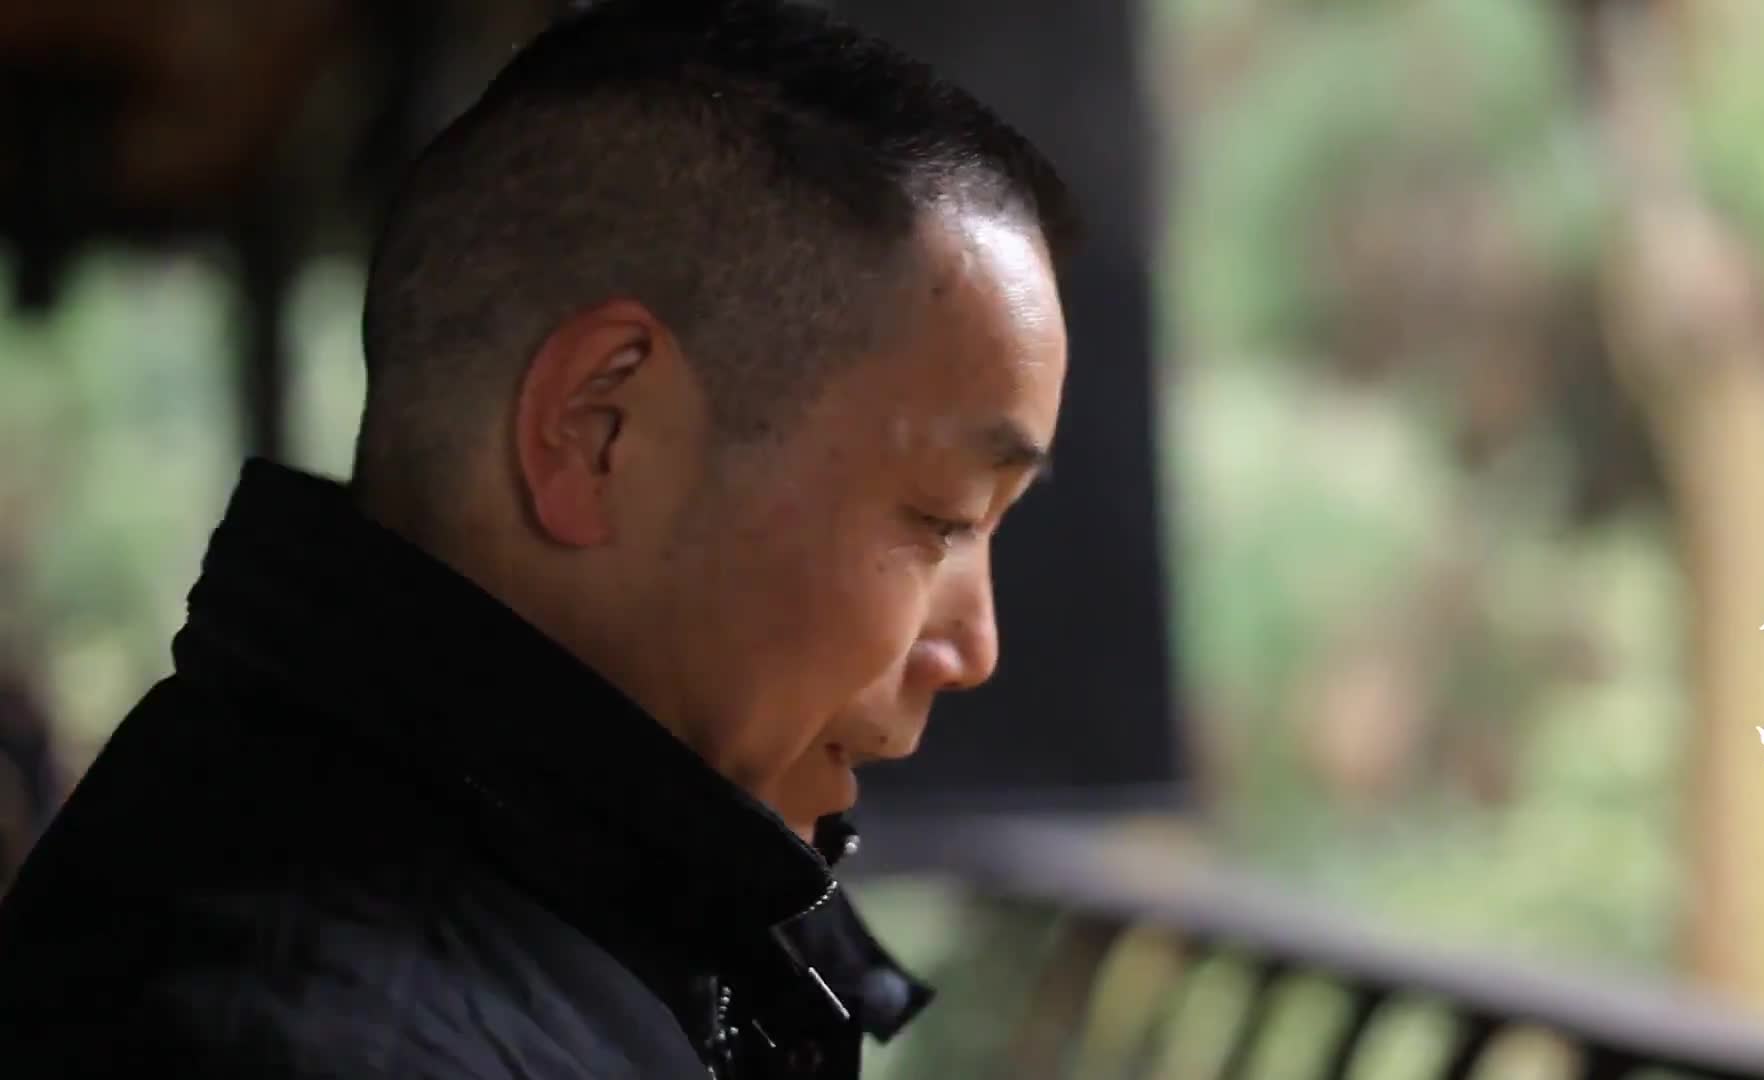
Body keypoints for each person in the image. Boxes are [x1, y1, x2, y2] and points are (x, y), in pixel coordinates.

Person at [0, 0, 1073, 1075]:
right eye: (942, 518)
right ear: (600, 432)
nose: (974, 648)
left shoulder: (507, 922)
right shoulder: (326, 1044)